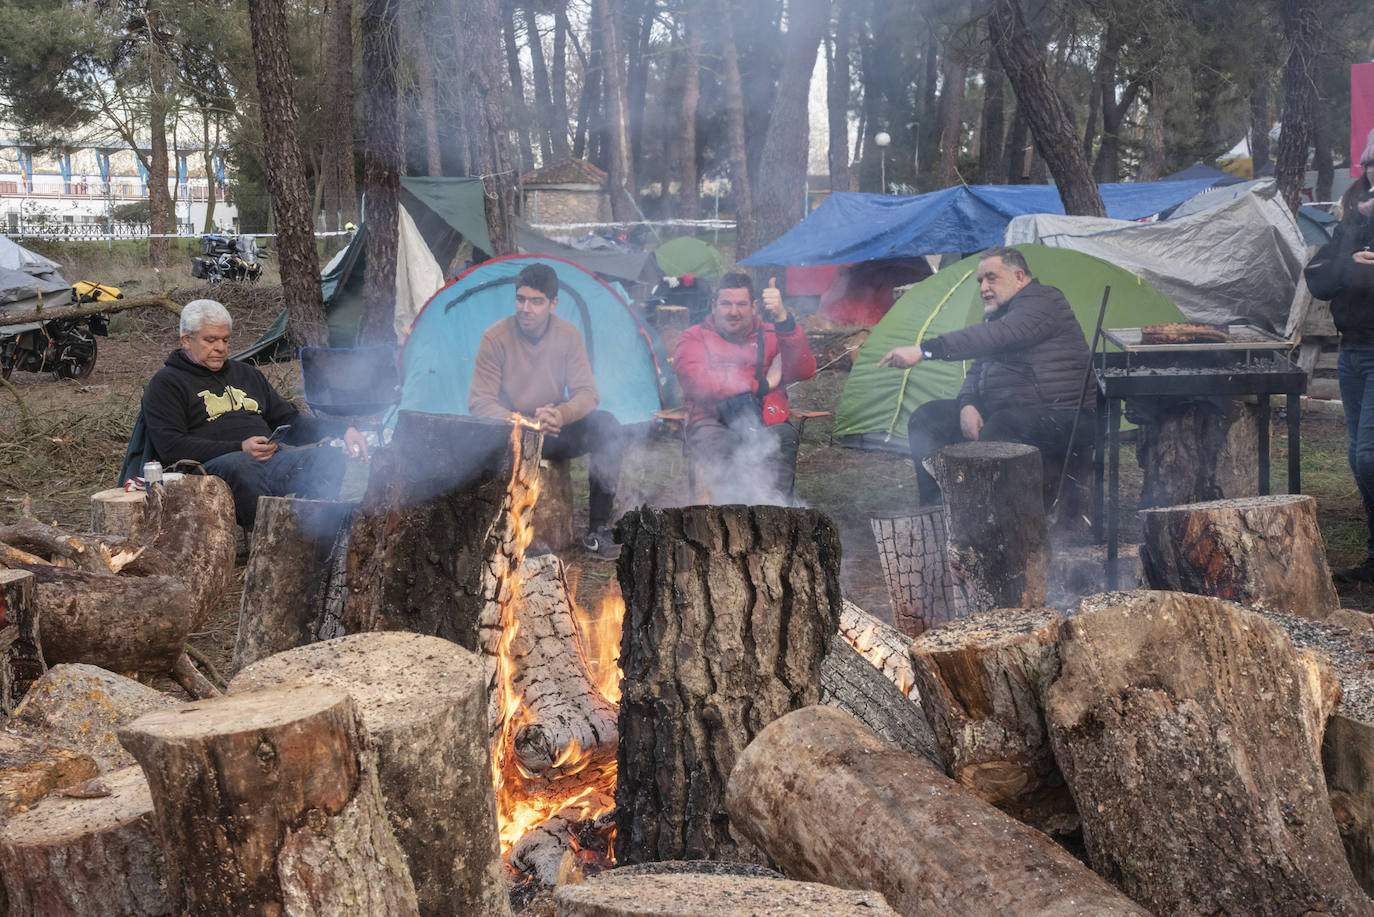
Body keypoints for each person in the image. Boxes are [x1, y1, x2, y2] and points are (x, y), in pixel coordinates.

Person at [879, 246, 1092, 505]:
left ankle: (986, 519)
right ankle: (938, 510)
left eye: (992, 277)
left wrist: (925, 350)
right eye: (980, 280)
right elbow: (978, 368)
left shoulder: (1044, 302)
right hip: (1009, 411)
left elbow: (995, 337)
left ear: (1019, 277)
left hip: (1062, 414)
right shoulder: (999, 316)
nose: (983, 288)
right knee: (927, 418)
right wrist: (967, 404)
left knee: (1002, 426)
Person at [142, 299, 369, 528]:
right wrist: (240, 447)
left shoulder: (247, 374)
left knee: (328, 458)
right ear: (187, 341)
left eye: (225, 339)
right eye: (210, 340)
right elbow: (171, 447)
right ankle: (272, 538)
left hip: (270, 462)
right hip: (208, 473)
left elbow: (290, 422)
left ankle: (317, 532)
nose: (221, 347)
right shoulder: (167, 383)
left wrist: (342, 430)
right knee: (243, 464)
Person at [469, 262, 625, 559]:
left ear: (553, 303)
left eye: (536, 301)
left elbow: (588, 394)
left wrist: (561, 415)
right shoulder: (495, 338)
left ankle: (596, 529)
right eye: (521, 299)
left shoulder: (568, 335)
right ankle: (504, 530)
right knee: (477, 438)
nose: (526, 308)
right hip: (510, 431)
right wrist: (522, 422)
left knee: (608, 427)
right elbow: (480, 401)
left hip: (551, 428)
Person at [674, 272, 818, 504]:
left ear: (754, 306)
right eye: (726, 304)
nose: (733, 312)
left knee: (783, 436)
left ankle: (775, 515)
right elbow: (698, 382)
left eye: (741, 304)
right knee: (721, 445)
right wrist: (761, 385)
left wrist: (783, 319)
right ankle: (719, 522)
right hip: (712, 420)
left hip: (763, 419)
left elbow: (804, 370)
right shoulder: (694, 337)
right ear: (714, 305)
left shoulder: (772, 333)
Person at [1306, 132, 1374, 582]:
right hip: (1352, 351)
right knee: (1356, 457)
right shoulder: (1351, 221)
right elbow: (1318, 279)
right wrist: (1351, 255)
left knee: (1370, 456)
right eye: (1371, 166)